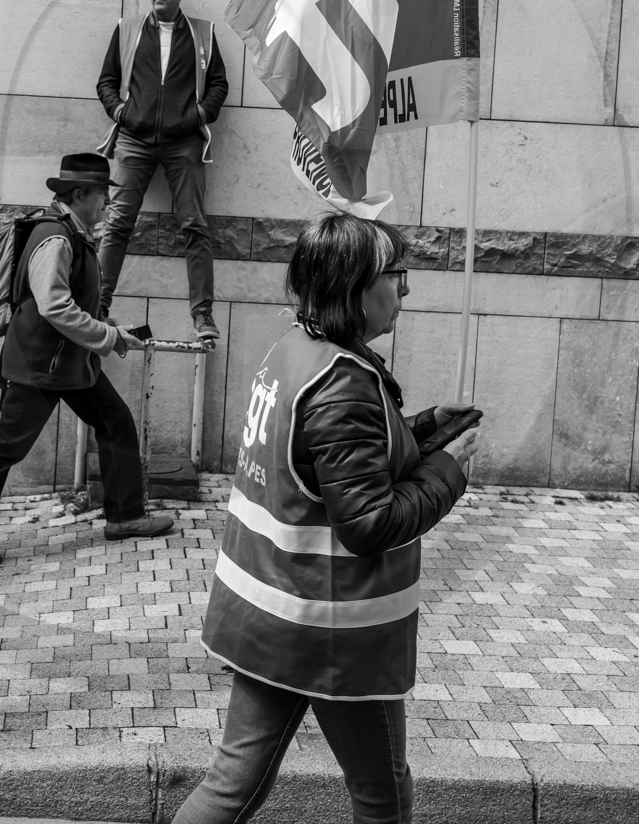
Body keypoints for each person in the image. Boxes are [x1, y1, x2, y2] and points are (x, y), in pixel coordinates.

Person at [174, 214, 481, 824]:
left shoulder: (298, 350)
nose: (405, 289)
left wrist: (419, 431)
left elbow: (335, 460)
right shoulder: (342, 383)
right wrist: (448, 470)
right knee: (382, 797)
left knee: (233, 783)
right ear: (356, 288)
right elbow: (368, 522)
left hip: (272, 611)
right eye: (396, 275)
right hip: (332, 628)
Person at [0, 152, 173, 566]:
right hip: (41, 367)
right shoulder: (56, 237)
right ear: (80, 194)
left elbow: (70, 302)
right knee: (6, 448)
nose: (107, 203)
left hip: (68, 365)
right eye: (103, 194)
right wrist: (109, 337)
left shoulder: (71, 232)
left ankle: (125, 517)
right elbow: (54, 306)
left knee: (115, 422)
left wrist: (104, 324)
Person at [96, 0, 229, 342]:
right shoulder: (128, 28)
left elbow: (218, 84)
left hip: (183, 143)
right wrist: (123, 113)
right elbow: (106, 81)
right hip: (134, 141)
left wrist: (197, 115)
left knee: (195, 226)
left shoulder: (203, 34)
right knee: (117, 224)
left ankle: (203, 316)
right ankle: (98, 307)